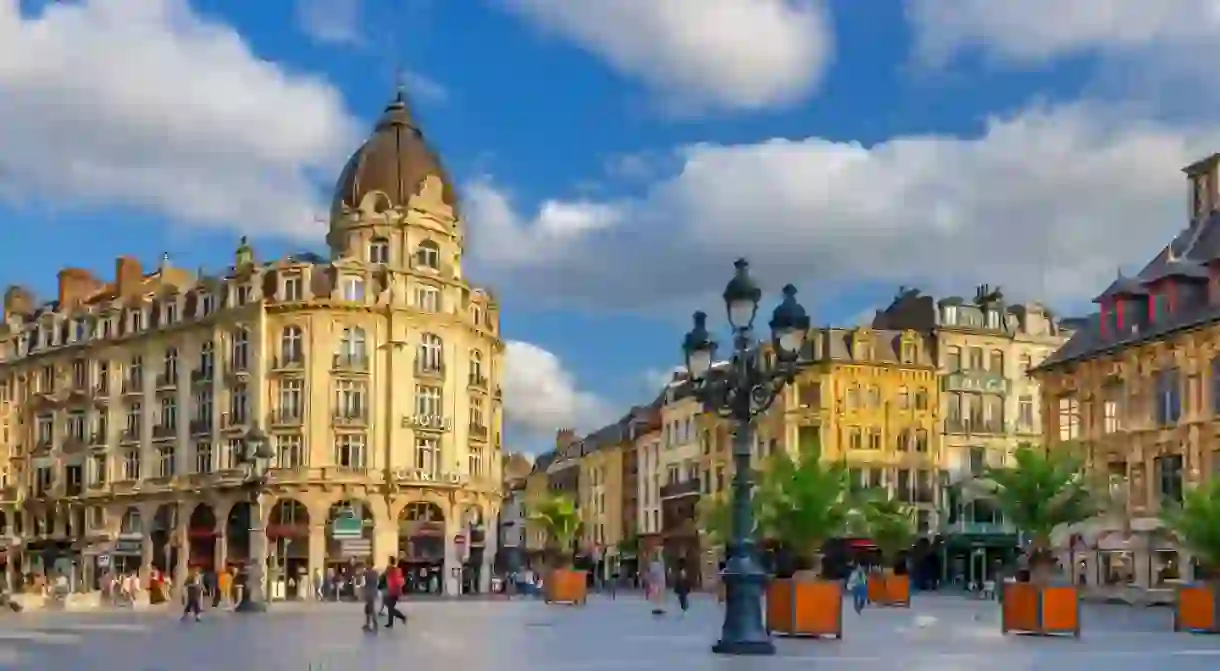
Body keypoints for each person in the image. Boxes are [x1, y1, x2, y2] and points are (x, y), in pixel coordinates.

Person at [383, 557, 407, 629]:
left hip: (393, 591)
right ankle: (390, 623)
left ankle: (402, 617)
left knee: (389, 606)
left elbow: (385, 574)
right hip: (395, 591)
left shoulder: (391, 569)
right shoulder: (396, 570)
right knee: (390, 607)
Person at [360, 563, 380, 634]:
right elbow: (377, 582)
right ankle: (368, 624)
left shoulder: (365, 573)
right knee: (368, 609)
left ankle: (375, 625)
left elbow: (362, 583)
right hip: (374, 592)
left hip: (369, 593)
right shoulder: (376, 573)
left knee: (371, 609)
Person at [647, 552, 667, 616]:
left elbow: (651, 573)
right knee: (659, 595)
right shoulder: (659, 565)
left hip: (656, 581)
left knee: (656, 595)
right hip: (659, 581)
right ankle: (659, 607)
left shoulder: (653, 565)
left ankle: (658, 607)